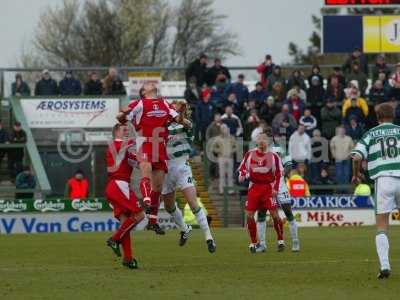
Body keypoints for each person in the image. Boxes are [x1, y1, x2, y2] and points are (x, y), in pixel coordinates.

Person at [117, 82, 188, 234]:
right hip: (145, 143)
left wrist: (182, 111)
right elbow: (120, 118)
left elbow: (179, 120)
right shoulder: (139, 103)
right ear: (143, 91)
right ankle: (147, 200)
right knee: (146, 173)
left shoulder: (164, 103)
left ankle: (153, 221)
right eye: (146, 84)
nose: (150, 83)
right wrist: (123, 113)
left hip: (160, 146)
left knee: (158, 187)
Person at [351, 103, 400, 279]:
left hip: (384, 179)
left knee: (382, 226)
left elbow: (356, 157)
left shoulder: (370, 134)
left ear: (377, 117)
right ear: (393, 116)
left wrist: (356, 176)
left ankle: (385, 266)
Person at [161, 101, 216, 252]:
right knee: (168, 206)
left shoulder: (187, 124)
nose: (172, 107)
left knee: (193, 204)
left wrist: (179, 112)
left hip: (181, 167)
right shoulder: (164, 126)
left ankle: (209, 237)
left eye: (175, 106)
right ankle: (185, 229)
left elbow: (184, 122)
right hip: (166, 168)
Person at [105, 123, 145, 269]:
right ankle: (114, 239)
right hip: (119, 185)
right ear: (116, 132)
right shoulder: (115, 144)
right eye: (124, 130)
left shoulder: (123, 148)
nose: (127, 132)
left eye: (128, 130)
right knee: (140, 215)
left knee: (125, 224)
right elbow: (131, 147)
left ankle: (128, 258)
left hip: (115, 186)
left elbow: (136, 161)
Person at [238, 132, 285, 252]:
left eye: (264, 139)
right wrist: (242, 174)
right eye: (259, 138)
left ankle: (280, 240)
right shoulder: (250, 154)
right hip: (254, 188)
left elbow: (279, 173)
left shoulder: (273, 156)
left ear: (268, 141)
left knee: (275, 215)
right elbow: (243, 167)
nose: (261, 141)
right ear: (256, 141)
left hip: (268, 188)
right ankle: (253, 243)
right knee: (249, 215)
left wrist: (276, 188)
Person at [256, 130, 300, 252]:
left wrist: (279, 176)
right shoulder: (258, 151)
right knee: (261, 213)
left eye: (264, 138)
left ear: (270, 138)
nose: (262, 140)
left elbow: (289, 165)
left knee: (288, 212)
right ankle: (263, 244)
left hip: (279, 185)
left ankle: (295, 241)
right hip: (264, 186)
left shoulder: (280, 149)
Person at [212, 124, 236, 194]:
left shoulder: (231, 137)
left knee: (230, 174)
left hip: (230, 157)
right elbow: (213, 148)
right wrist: (219, 151)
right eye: (223, 128)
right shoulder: (218, 138)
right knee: (222, 174)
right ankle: (222, 190)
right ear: (221, 130)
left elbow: (236, 147)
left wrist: (232, 151)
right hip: (221, 158)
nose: (224, 130)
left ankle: (230, 190)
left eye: (225, 128)